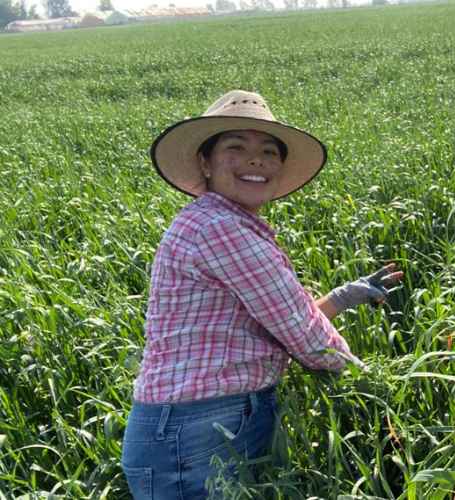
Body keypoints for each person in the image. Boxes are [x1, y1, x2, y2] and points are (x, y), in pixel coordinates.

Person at [121, 90, 402, 499]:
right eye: (237, 147)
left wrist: (343, 296)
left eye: (269, 151)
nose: (257, 160)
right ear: (206, 162)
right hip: (196, 435)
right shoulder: (220, 229)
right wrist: (381, 389)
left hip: (194, 431)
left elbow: (274, 326)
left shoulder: (220, 222)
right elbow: (305, 336)